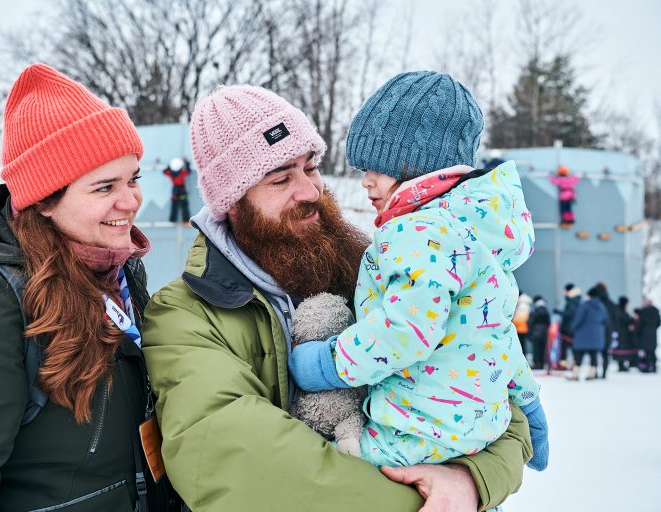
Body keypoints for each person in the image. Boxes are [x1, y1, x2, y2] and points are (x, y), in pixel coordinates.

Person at [142, 84, 534, 512]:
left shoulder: (383, 267)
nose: (310, 190)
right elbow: (241, 466)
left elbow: (492, 390)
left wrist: (469, 479)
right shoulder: (187, 314)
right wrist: (431, 499)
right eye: (281, 178)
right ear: (232, 203)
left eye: (310, 167)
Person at [0, 64, 162, 510]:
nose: (130, 201)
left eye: (133, 179)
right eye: (105, 187)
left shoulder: (117, 274)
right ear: (45, 201)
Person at [288, 71, 547, 476]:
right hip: (474, 433)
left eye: (376, 167)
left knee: (312, 472)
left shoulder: (418, 232)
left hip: (411, 434)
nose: (365, 182)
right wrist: (527, 399)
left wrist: (325, 362)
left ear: (417, 167)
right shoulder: (476, 232)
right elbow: (494, 329)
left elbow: (405, 330)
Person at [567, 286, 609, 381]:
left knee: (579, 356)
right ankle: (592, 374)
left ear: (590, 295)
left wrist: (573, 328)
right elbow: (606, 321)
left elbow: (578, 320)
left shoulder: (585, 306)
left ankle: (576, 374)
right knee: (593, 355)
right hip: (597, 337)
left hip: (582, 336)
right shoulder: (602, 307)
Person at [592, 282, 619, 378]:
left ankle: (594, 373)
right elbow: (616, 318)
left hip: (596, 330)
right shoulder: (610, 303)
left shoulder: (593, 303)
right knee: (605, 353)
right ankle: (603, 373)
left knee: (594, 353)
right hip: (608, 330)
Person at [163, 157, 193, 222]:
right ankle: (185, 219)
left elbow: (164, 171)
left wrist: (169, 165)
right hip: (182, 191)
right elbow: (188, 171)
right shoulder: (182, 173)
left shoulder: (171, 173)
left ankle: (173, 219)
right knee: (184, 205)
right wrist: (187, 162)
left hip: (175, 191)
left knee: (174, 206)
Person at [559, 283, 582, 369]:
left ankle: (564, 365)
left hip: (568, 328)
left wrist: (559, 312)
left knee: (565, 347)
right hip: (572, 327)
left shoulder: (572, 300)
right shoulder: (576, 299)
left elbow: (570, 313)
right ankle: (574, 364)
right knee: (572, 347)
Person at [635, 298, 660, 373]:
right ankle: (654, 366)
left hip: (644, 334)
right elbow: (658, 322)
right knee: (652, 350)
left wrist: (637, 331)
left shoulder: (643, 312)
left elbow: (640, 324)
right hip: (653, 333)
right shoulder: (656, 311)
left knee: (645, 351)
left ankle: (646, 367)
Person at [614, 296, 637, 372]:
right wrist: (633, 319)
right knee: (621, 349)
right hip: (621, 334)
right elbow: (625, 321)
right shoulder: (619, 311)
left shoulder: (619, 310)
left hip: (622, 334)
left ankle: (622, 364)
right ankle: (621, 365)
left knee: (622, 349)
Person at [528, 296, 551, 370]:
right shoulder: (546, 310)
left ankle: (537, 364)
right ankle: (542, 363)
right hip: (544, 332)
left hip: (536, 331)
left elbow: (531, 321)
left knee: (536, 348)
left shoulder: (535, 310)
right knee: (543, 348)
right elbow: (548, 322)